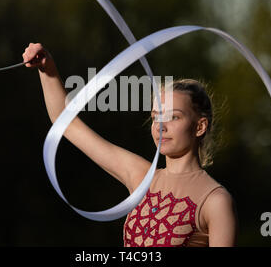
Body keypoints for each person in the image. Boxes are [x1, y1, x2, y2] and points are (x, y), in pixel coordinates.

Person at [22, 43, 238, 247]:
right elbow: (66, 123)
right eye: (156, 117)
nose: (160, 127)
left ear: (200, 127)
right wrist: (47, 69)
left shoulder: (215, 200)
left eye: (173, 117)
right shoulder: (142, 177)